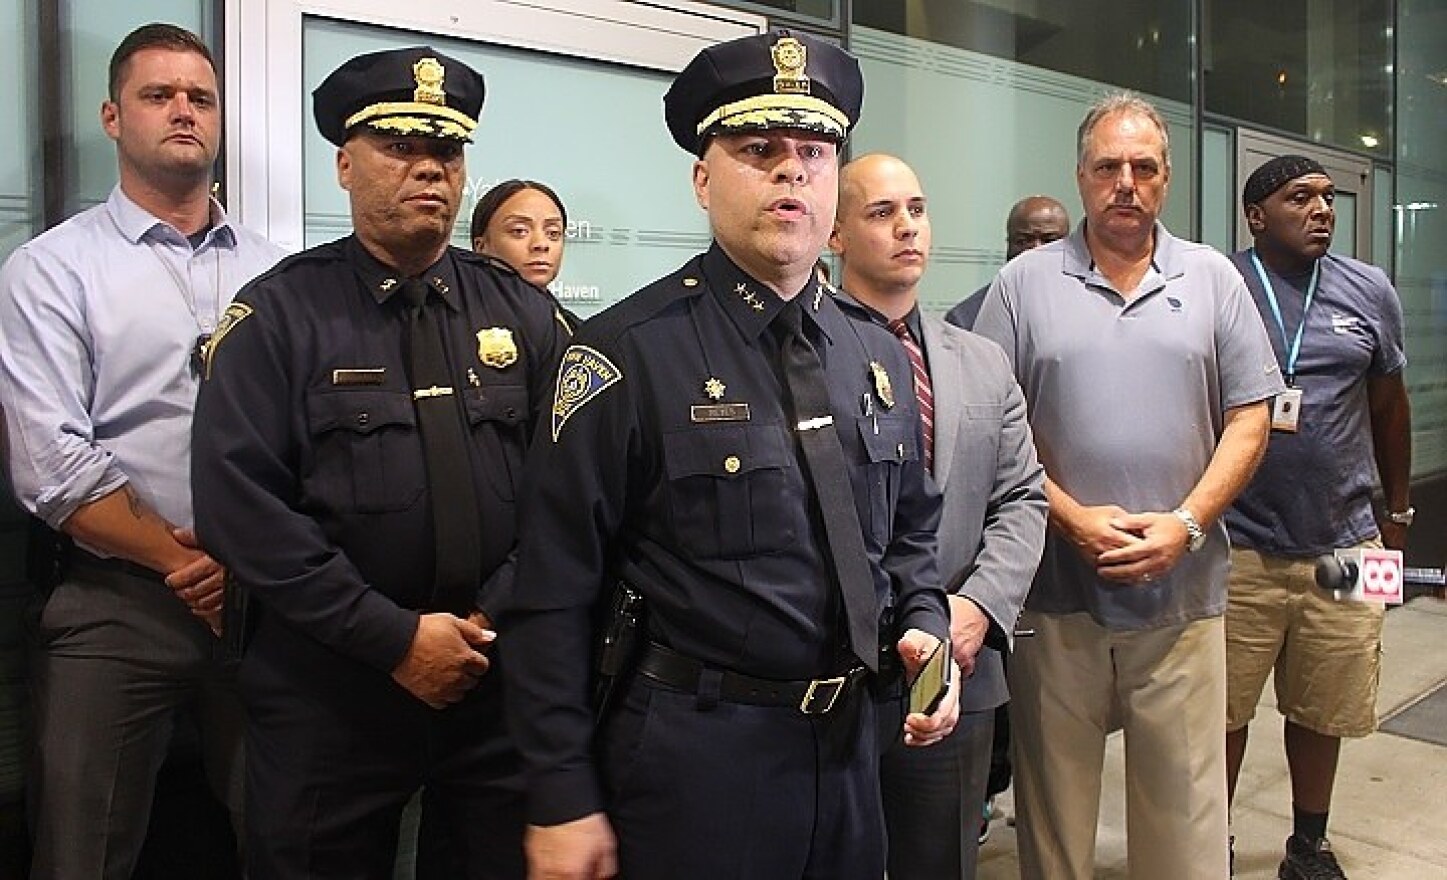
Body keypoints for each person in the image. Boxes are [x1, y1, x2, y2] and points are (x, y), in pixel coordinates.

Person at [500, 30, 958, 880]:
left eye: (813, 152)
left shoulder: (877, 353)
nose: (791, 171)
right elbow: (551, 591)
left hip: (851, 751)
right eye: (759, 150)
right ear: (703, 179)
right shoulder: (622, 356)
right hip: (697, 756)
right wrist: (560, 791)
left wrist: (925, 625)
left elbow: (909, 541)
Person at [191, 47, 567, 878]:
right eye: (399, 147)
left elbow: (569, 489)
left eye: (447, 151)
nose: (428, 169)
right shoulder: (279, 315)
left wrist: (491, 616)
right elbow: (238, 508)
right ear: (344, 164)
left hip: (492, 681)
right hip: (332, 692)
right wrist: (394, 639)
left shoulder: (523, 313)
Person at [973, 91, 1283, 880]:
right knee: (1052, 822)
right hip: (1051, 598)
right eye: (1107, 166)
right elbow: (989, 431)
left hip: (1181, 600)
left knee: (1184, 821)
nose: (1125, 183)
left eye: (1142, 167)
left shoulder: (1212, 280)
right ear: (1080, 175)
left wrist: (1185, 522)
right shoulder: (1022, 287)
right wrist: (1070, 518)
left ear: (1165, 179)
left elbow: (1250, 417)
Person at [0, 22, 284, 878]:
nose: (183, 111)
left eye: (199, 96)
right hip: (115, 601)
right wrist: (187, 565)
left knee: (292, 837)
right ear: (113, 117)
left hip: (266, 601)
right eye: (157, 95)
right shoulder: (52, 271)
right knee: (81, 850)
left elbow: (308, 443)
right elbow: (49, 460)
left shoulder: (279, 274)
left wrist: (248, 568)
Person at [829, 152, 1047, 879]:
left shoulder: (981, 361)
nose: (905, 228)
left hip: (951, 664)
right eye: (881, 212)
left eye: (915, 210)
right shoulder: (797, 353)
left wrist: (978, 607)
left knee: (938, 863)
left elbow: (1023, 496)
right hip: (830, 674)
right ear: (834, 232)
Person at [1222, 155, 1412, 880]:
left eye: (1328, 197)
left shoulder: (1368, 290)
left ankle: (1308, 842)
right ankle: (1217, 836)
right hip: (1236, 543)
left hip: (1347, 544)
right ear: (1255, 215)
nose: (1321, 209)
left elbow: (1389, 407)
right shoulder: (1224, 287)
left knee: (1325, 700)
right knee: (1224, 709)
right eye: (1299, 197)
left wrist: (1395, 518)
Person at [944, 196, 1069, 330]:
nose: (1035, 251)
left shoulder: (1089, 301)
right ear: (1008, 245)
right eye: (1023, 241)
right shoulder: (965, 318)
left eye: (1050, 241)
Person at [470, 179, 581, 328]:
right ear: (481, 246)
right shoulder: (454, 324)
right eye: (519, 231)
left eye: (553, 233)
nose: (541, 244)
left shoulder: (578, 335)